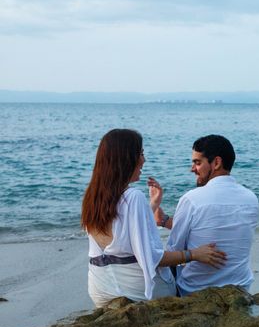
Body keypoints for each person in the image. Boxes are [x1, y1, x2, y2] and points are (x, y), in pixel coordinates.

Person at [81, 129, 226, 307]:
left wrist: (153, 205)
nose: (144, 160)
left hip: (100, 289)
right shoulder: (133, 197)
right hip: (135, 291)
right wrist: (194, 254)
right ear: (126, 158)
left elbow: (123, 233)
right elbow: (151, 258)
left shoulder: (93, 197)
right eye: (141, 153)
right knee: (183, 276)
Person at [153, 134, 259, 296]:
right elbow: (214, 228)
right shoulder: (251, 198)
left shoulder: (192, 199)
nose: (192, 169)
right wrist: (165, 221)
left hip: (196, 290)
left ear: (216, 163)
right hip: (241, 288)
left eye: (197, 162)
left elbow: (175, 250)